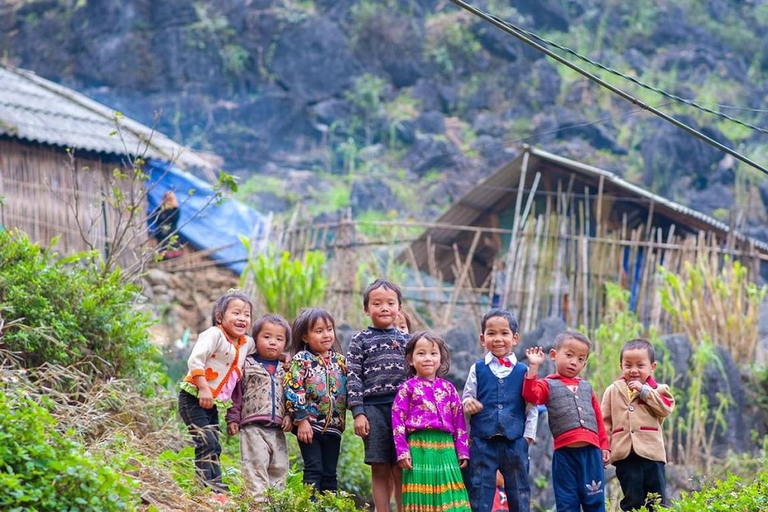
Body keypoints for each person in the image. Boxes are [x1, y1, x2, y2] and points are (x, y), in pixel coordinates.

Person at [178, 290, 255, 505]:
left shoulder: (246, 343)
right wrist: (203, 387)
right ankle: (205, 490)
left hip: (209, 403)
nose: (242, 318)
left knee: (215, 445)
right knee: (206, 440)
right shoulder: (214, 334)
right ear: (220, 317)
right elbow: (195, 360)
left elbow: (261, 350)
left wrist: (283, 356)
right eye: (236, 313)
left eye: (247, 314)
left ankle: (218, 488)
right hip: (192, 396)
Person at [522, 331, 610, 512]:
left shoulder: (586, 387)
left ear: (584, 363)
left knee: (595, 501)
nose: (574, 362)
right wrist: (533, 367)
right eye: (569, 355)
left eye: (580, 359)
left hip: (591, 454)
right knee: (567, 502)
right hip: (564, 456)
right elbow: (531, 395)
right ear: (554, 355)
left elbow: (598, 418)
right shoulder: (547, 384)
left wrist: (605, 446)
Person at [462, 308, 538, 512]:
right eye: (491, 333)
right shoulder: (477, 368)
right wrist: (468, 404)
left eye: (504, 333)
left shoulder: (524, 371)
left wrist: (527, 438)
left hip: (515, 442)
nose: (498, 339)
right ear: (482, 338)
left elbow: (532, 406)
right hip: (482, 442)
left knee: (519, 492)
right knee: (478, 492)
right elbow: (467, 397)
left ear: (515, 338)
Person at [347, 278, 410, 512]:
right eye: (377, 303)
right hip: (373, 409)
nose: (384, 307)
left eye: (390, 303)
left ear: (399, 308)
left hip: (402, 410)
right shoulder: (359, 340)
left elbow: (416, 379)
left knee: (401, 465)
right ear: (366, 309)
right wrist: (358, 413)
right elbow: (352, 377)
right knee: (379, 466)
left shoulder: (407, 341)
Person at [392, 331, 471, 512]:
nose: (428, 358)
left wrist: (462, 450)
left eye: (433, 353)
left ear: (441, 359)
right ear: (410, 360)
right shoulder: (407, 388)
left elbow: (459, 421)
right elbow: (397, 421)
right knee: (422, 500)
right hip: (418, 449)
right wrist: (402, 452)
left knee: (452, 497)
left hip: (446, 450)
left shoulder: (449, 388)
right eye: (421, 353)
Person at [601, 339, 675, 511]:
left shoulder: (658, 389)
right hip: (624, 454)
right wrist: (605, 447)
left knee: (656, 498)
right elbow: (605, 422)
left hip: (652, 453)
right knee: (632, 497)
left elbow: (665, 409)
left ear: (652, 367)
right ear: (621, 366)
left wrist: (645, 391)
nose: (633, 370)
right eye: (628, 365)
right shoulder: (613, 390)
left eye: (640, 365)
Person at [225, 314, 292, 504]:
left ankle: (276, 505)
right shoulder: (247, 364)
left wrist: (289, 415)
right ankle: (258, 506)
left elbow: (292, 395)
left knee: (279, 468)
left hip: (278, 429)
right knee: (255, 467)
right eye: (267, 337)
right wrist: (233, 418)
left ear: (285, 343)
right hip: (252, 427)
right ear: (255, 339)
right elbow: (236, 393)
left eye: (279, 339)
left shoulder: (286, 368)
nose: (273, 343)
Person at [284, 308, 348, 493]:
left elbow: (352, 390)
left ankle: (329, 506)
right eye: (319, 331)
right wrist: (301, 419)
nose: (326, 335)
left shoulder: (341, 362)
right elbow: (293, 388)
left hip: (334, 427)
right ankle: (309, 506)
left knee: (330, 473)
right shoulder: (301, 360)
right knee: (314, 469)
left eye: (329, 329)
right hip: (309, 426)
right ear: (305, 337)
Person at [150, 191, 181, 257]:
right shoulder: (160, 209)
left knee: (171, 251)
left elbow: (174, 221)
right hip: (161, 234)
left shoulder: (175, 210)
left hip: (171, 233)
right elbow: (156, 219)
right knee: (161, 252)